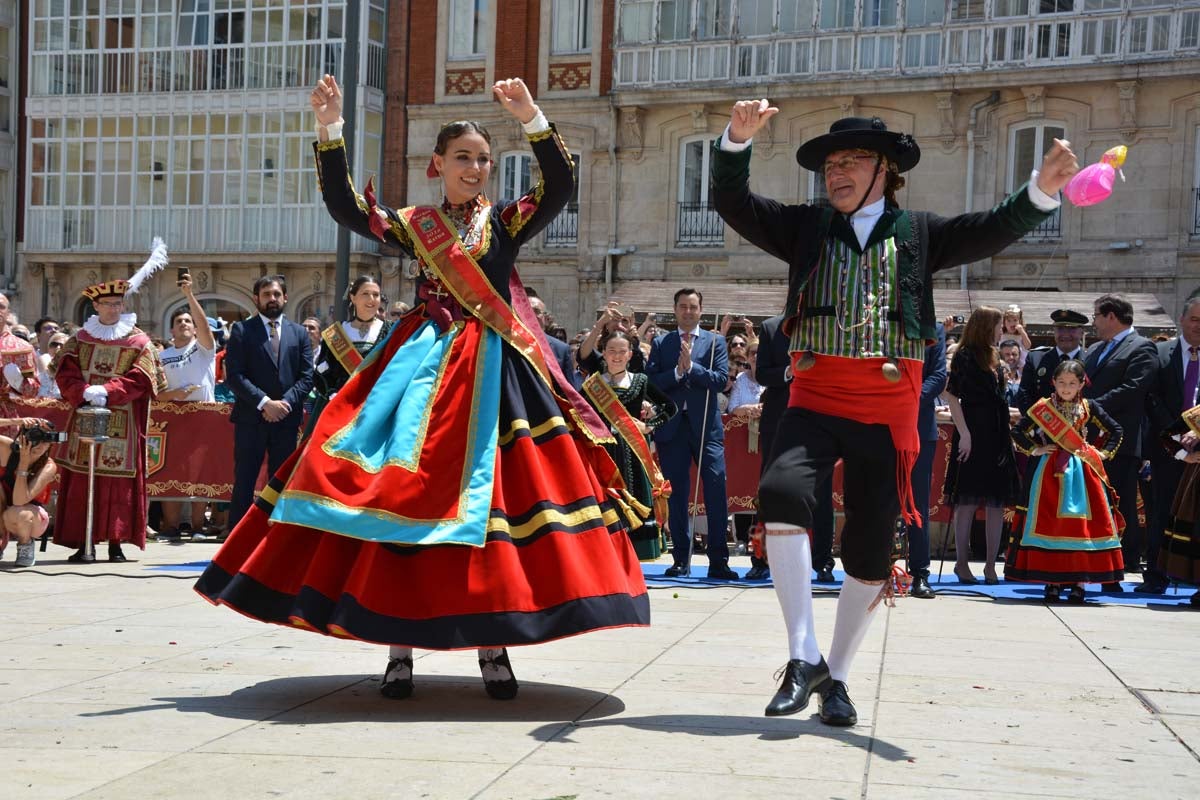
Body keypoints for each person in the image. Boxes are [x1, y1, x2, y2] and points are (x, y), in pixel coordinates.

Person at [197, 74, 649, 702]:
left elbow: (561, 186)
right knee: (397, 491)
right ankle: (399, 649)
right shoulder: (417, 223)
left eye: (484, 159)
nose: (475, 167)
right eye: (462, 157)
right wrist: (330, 130)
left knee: (494, 508)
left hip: (495, 371)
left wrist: (531, 115)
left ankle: (494, 647)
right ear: (438, 165)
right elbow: (348, 209)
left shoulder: (507, 220)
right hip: (422, 365)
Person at [711, 102, 1073, 726]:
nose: (835, 172)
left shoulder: (920, 233)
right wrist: (736, 141)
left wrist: (1040, 192)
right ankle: (803, 654)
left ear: (885, 170)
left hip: (887, 408)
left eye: (850, 161)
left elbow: (988, 228)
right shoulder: (803, 227)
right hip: (815, 397)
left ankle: (838, 678)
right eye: (829, 165)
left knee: (873, 550)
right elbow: (733, 201)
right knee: (781, 493)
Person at [52, 270, 167, 562]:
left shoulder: (138, 341)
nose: (114, 308)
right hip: (85, 416)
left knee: (118, 481)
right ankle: (83, 542)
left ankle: (116, 542)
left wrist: (109, 391)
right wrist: (83, 391)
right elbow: (64, 372)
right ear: (96, 307)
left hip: (123, 419)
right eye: (108, 304)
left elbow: (143, 379)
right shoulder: (79, 339)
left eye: (118, 304)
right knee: (82, 478)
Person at [1006, 360, 1124, 603]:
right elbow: (1018, 432)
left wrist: (1102, 453)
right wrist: (1035, 450)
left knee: (1082, 528)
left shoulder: (1089, 407)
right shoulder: (1043, 408)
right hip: (1049, 473)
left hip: (1083, 472)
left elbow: (1116, 430)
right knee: (1051, 524)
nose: (1066, 388)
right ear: (1053, 383)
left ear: (1082, 384)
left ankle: (1079, 582)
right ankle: (1052, 581)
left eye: (1072, 383)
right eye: (1062, 383)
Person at [645, 287, 738, 580]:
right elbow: (650, 382)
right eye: (682, 306)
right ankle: (681, 558)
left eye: (693, 307)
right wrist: (676, 374)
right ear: (675, 310)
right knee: (678, 495)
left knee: (715, 488)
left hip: (706, 428)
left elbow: (722, 380)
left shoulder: (715, 343)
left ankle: (719, 561)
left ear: (701, 310)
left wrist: (693, 369)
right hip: (673, 427)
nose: (688, 311)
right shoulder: (662, 343)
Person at [223, 275, 314, 530]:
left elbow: (307, 377)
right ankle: (236, 539)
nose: (271, 299)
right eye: (266, 294)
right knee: (245, 480)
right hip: (251, 419)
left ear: (285, 297)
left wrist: (284, 404)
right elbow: (235, 376)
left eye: (276, 294)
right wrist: (264, 403)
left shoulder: (299, 333)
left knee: (281, 481)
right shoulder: (242, 330)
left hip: (286, 420)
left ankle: (276, 538)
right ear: (256, 299)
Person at [1083, 293, 1157, 589]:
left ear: (1111, 316)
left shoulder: (1142, 347)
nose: (1095, 322)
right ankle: (1093, 558)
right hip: (1088, 441)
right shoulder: (1096, 349)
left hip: (1119, 442)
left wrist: (1092, 406)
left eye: (1097, 316)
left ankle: (1121, 561)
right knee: (1093, 502)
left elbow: (1134, 388)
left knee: (1119, 502)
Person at [582, 330, 676, 560]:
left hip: (632, 453)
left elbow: (669, 407)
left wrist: (649, 426)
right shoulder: (592, 384)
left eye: (621, 351)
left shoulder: (640, 381)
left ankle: (634, 560)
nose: (616, 356)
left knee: (635, 502)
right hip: (602, 453)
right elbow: (578, 413)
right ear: (603, 353)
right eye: (611, 350)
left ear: (630, 354)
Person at [943, 307, 1021, 585]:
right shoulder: (965, 356)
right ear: (987, 326)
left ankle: (990, 565)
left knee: (996, 503)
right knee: (967, 501)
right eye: (999, 325)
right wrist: (964, 433)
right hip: (973, 432)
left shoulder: (996, 355)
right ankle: (962, 564)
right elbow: (952, 396)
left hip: (998, 434)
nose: (1002, 330)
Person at [1143, 296, 1200, 594]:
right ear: (1182, 319)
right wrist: (1178, 436)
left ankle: (1192, 578)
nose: (1199, 326)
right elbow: (1152, 398)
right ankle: (1155, 576)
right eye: (1195, 319)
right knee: (1160, 512)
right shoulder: (1160, 351)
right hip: (1167, 449)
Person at [156, 273, 218, 539]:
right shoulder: (160, 356)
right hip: (171, 416)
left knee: (200, 472)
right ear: (171, 331)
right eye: (178, 321)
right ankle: (170, 527)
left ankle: (196, 527)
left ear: (195, 329)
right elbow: (154, 394)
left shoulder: (204, 348)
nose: (184, 323)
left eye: (188, 321)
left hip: (203, 415)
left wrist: (189, 296)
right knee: (172, 469)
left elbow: (204, 326)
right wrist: (174, 395)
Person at [308, 276, 392, 437]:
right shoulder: (335, 334)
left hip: (377, 408)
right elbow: (321, 372)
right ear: (353, 297)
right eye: (365, 294)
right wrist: (333, 394)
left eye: (376, 294)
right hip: (339, 408)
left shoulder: (391, 331)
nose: (371, 299)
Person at [908, 322, 948, 599]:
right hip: (881, 422)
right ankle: (874, 569)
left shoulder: (932, 329)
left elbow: (938, 375)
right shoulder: (883, 324)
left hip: (919, 424)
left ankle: (920, 573)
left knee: (917, 503)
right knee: (877, 499)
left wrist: (910, 398)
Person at [0, 420, 58, 567]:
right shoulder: (8, 449)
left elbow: (20, 501)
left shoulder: (48, 466)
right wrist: (18, 421)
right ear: (22, 438)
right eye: (35, 439)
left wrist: (24, 464)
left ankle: (25, 545)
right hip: (4, 506)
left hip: (31, 517)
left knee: (18, 513)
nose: (39, 446)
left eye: (45, 441)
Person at [1016, 309, 1088, 414]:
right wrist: (1038, 424)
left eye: (1072, 329)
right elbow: (1024, 395)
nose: (1065, 334)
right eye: (1060, 329)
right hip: (1042, 425)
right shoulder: (1036, 358)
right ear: (1053, 331)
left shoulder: (1091, 359)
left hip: (1081, 426)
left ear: (1082, 332)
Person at [528, 292, 579, 390]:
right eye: (527, 310)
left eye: (536, 311)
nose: (531, 314)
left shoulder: (561, 350)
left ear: (545, 318)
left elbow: (568, 390)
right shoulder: (509, 343)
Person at [0, 293, 40, 398]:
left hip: (5, 411)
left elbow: (34, 391)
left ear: (8, 313)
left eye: (1, 307)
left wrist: (18, 381)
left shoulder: (22, 347)